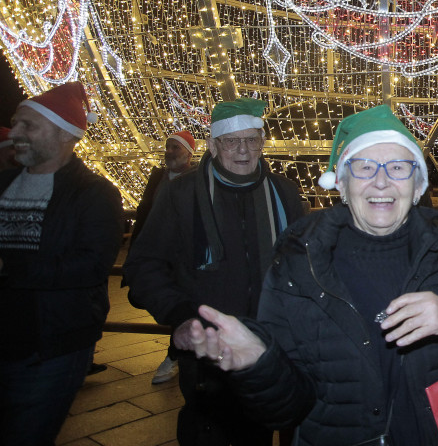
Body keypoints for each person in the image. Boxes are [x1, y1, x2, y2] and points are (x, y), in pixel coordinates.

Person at [175, 104, 438, 445]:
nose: (381, 181)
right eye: (363, 167)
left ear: (418, 185)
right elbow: (285, 412)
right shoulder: (297, 261)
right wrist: (260, 366)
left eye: (398, 167)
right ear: (341, 184)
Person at [123, 97, 305, 446]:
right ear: (212, 145)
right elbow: (144, 264)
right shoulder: (182, 193)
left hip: (274, 343)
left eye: (252, 139)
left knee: (275, 428)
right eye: (231, 141)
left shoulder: (283, 192)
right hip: (210, 348)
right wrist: (180, 316)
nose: (243, 150)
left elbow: (302, 260)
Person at [0, 82, 123, 446]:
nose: (16, 133)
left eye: (28, 126)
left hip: (49, 346)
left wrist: (11, 268)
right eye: (16, 123)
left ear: (64, 134)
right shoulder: (3, 183)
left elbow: (91, 265)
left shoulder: (95, 193)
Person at [130, 130, 197, 386]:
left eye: (175, 148)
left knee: (182, 305)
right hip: (158, 253)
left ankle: (173, 356)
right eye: (168, 147)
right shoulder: (157, 177)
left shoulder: (195, 179)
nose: (169, 152)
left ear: (189, 153)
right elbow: (145, 211)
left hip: (182, 256)